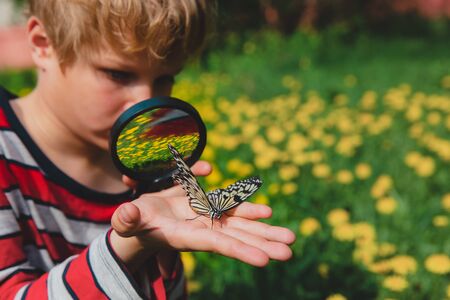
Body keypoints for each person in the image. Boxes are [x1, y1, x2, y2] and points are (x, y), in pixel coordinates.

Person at [0, 0, 296, 299]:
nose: (146, 106)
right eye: (118, 74)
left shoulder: (147, 170)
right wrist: (128, 247)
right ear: (43, 45)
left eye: (165, 79)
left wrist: (158, 255)